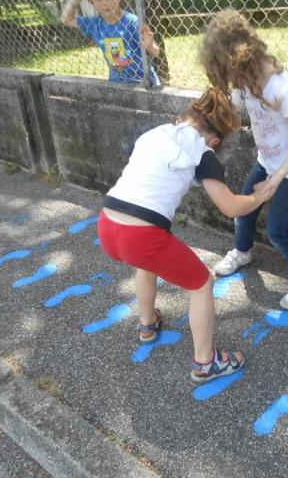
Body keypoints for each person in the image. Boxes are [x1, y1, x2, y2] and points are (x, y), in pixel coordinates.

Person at [97, 88, 270, 383]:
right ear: (215, 139)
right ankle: (206, 363)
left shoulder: (154, 133)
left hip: (107, 223)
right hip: (142, 235)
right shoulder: (203, 153)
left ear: (185, 116)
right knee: (201, 283)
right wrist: (260, 196)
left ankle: (147, 324)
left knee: (146, 264)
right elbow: (230, 207)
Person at [199, 9, 288, 311]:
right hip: (268, 161)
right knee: (243, 210)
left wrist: (275, 179)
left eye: (227, 73)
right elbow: (238, 112)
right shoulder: (246, 82)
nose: (229, 81)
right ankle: (242, 251)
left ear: (240, 58)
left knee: (277, 229)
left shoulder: (284, 88)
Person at [60, 0, 160, 85]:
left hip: (143, 83)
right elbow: (66, 19)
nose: (105, 3)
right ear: (91, 2)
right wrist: (75, 0)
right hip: (117, 84)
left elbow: (155, 52)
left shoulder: (132, 22)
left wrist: (150, 46)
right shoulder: (95, 24)